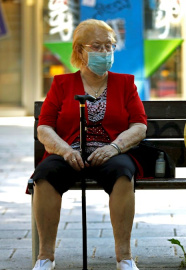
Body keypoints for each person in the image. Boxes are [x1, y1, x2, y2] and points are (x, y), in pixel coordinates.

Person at [31, 19, 147, 270]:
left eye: (110, 46)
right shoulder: (62, 84)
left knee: (123, 172)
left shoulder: (125, 83)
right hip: (69, 151)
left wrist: (115, 147)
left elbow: (139, 124)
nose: (105, 52)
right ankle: (45, 257)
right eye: (97, 46)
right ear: (80, 51)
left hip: (111, 152)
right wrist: (64, 150)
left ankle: (124, 258)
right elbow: (45, 126)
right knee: (45, 174)